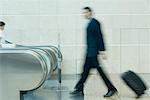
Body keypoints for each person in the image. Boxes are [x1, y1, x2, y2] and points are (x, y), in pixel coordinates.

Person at [70, 7, 118, 97]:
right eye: (84, 13)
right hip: (89, 53)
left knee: (99, 72)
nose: (84, 14)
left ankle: (111, 89)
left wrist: (102, 50)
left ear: (90, 12)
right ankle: (79, 89)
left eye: (86, 12)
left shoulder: (94, 23)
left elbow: (100, 36)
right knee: (85, 72)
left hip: (93, 53)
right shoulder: (90, 23)